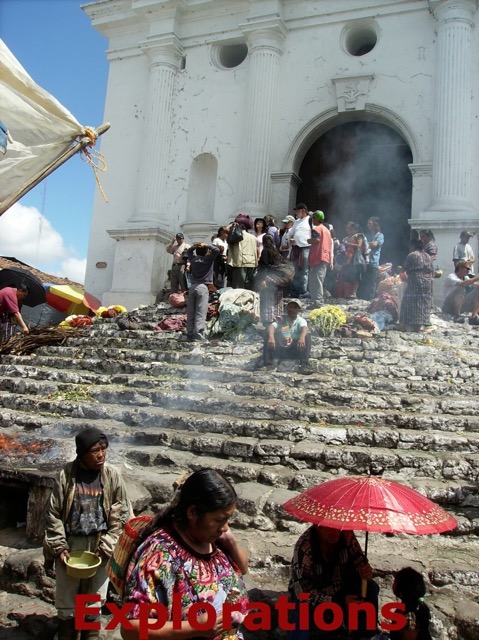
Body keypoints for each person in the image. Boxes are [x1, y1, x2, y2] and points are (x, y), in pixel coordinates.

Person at [121, 468, 249, 640]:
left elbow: (243, 568)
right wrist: (194, 627)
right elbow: (130, 628)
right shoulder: (159, 554)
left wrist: (231, 541)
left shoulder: (214, 538)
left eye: (227, 520)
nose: (225, 526)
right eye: (219, 519)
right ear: (192, 513)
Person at [43, 426, 131, 640]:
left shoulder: (111, 476)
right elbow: (53, 514)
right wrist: (60, 547)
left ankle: (89, 635)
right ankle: (67, 634)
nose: (101, 455)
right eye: (95, 451)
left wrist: (108, 545)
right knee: (67, 602)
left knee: (93, 601)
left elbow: (121, 514)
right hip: (71, 546)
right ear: (81, 454)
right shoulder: (65, 476)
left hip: (100, 545)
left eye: (103, 449)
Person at [288, 526, 379, 640]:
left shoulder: (347, 535)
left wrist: (366, 572)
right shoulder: (304, 548)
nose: (334, 531)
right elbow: (304, 592)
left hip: (340, 586)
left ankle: (368, 635)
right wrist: (339, 601)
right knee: (303, 616)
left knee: (371, 587)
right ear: (317, 527)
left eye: (337, 527)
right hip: (315, 594)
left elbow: (359, 562)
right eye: (329, 528)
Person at [261, 299, 312, 374]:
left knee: (307, 336)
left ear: (298, 310)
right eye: (290, 307)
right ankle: (267, 364)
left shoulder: (301, 320)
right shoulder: (281, 319)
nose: (292, 309)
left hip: (295, 350)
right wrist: (271, 337)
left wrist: (302, 338)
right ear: (287, 308)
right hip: (281, 349)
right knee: (268, 334)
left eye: (295, 307)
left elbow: (304, 328)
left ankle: (304, 365)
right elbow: (271, 326)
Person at [254, 234, 293, 325]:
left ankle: (269, 322)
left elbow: (264, 267)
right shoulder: (276, 251)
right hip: (278, 280)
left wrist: (262, 279)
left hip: (269, 279)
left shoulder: (265, 251)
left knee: (268, 300)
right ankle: (277, 319)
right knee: (277, 300)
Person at [185, 242, 220, 341]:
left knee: (191, 311)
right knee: (201, 310)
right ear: (206, 252)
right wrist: (207, 244)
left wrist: (195, 246)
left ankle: (190, 332)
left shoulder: (193, 260)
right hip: (203, 287)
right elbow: (216, 250)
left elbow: (189, 251)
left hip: (192, 287)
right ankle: (198, 332)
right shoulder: (208, 260)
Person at [399, 238, 434, 332]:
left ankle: (406, 324)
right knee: (423, 303)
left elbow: (404, 268)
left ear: (412, 246)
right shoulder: (427, 256)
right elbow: (431, 270)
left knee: (410, 301)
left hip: (416, 280)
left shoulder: (412, 255)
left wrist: (400, 270)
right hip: (427, 281)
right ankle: (418, 327)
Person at [390, 567, 432, 640]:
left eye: (395, 582)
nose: (393, 584)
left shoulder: (409, 616)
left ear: (401, 591)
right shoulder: (419, 606)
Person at [336, 222, 368, 299]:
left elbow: (359, 246)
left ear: (356, 230)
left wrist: (348, 244)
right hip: (349, 259)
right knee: (348, 276)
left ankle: (353, 293)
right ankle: (347, 293)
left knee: (356, 277)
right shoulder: (348, 237)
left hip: (356, 260)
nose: (349, 231)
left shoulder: (359, 236)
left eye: (351, 229)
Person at [442, 259, 479, 325]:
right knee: (460, 288)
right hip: (448, 306)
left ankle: (474, 316)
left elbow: (475, 285)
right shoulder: (451, 277)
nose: (468, 270)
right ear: (460, 268)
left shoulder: (465, 277)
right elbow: (463, 284)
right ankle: (457, 315)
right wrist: (477, 278)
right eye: (467, 268)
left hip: (460, 304)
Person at [307, 211, 332, 307]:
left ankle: (318, 302)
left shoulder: (317, 228)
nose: (312, 220)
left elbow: (316, 239)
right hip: (324, 257)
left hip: (317, 257)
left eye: (313, 218)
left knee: (315, 281)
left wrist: (308, 240)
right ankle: (317, 301)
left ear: (316, 219)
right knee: (319, 280)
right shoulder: (327, 230)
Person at [226, 218, 258, 289]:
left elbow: (225, 231)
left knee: (238, 288)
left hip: (239, 263)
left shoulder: (235, 235)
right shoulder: (253, 237)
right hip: (251, 263)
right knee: (248, 288)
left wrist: (232, 225)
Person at [358, 217, 384, 301]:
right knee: (364, 281)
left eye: (370, 223)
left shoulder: (380, 235)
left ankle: (370, 300)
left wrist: (365, 244)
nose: (368, 225)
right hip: (364, 262)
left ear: (375, 224)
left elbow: (374, 244)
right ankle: (362, 299)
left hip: (373, 262)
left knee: (371, 283)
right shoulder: (367, 235)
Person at [289, 204, 312, 297]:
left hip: (306, 248)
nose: (296, 213)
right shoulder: (297, 222)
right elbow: (291, 233)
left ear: (303, 210)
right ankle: (294, 291)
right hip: (296, 249)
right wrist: (291, 239)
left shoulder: (310, 221)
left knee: (304, 271)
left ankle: (303, 291)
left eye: (297, 211)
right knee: (295, 271)